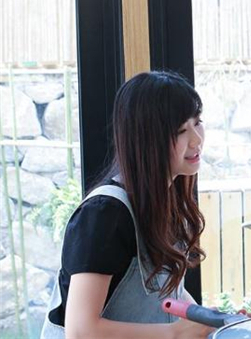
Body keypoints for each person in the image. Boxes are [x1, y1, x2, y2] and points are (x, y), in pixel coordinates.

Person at [41, 71, 214, 339]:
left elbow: (166, 295)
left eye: (197, 122)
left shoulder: (164, 201)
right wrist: (175, 333)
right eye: (181, 130)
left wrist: (214, 321)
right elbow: (80, 331)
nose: (197, 139)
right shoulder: (105, 214)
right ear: (147, 138)